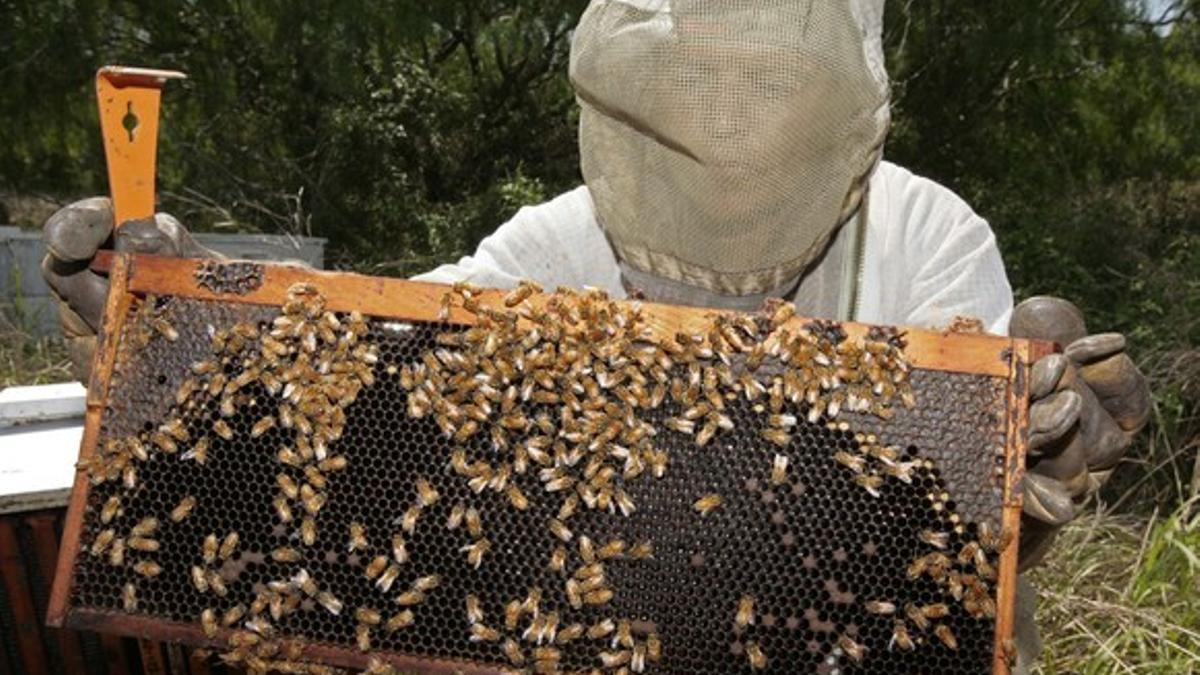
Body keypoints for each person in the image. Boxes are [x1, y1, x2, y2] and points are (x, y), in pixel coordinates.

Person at [42, 1, 1149, 671]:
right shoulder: (548, 252)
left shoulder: (925, 238)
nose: (731, 126)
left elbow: (963, 546)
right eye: (699, 92)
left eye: (758, 92)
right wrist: (180, 342)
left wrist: (1045, 457)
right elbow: (351, 388)